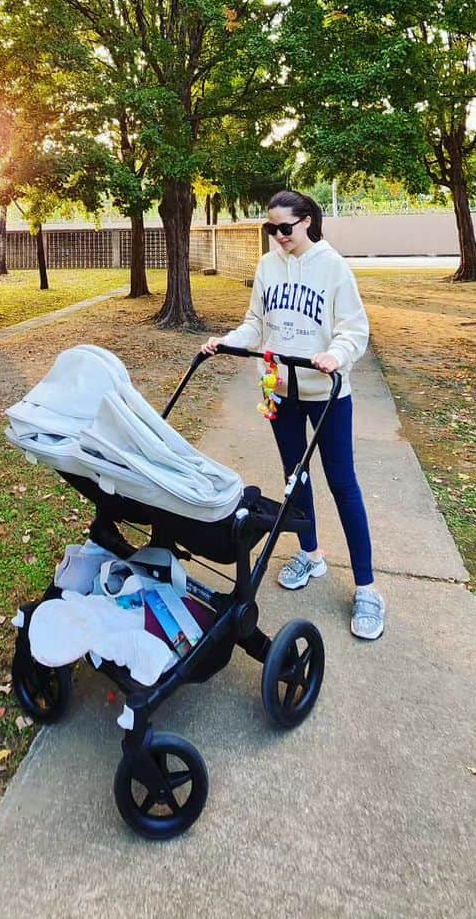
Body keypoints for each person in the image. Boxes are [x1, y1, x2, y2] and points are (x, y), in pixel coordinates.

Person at [200, 189, 384, 641]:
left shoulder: (334, 267)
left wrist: (335, 355)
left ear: (307, 221)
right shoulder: (267, 267)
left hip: (325, 393)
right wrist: (227, 341)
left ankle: (366, 588)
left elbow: (353, 329)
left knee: (342, 483)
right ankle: (310, 553)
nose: (278, 236)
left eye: (285, 227)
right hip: (280, 388)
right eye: (272, 228)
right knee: (294, 476)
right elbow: (256, 324)